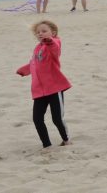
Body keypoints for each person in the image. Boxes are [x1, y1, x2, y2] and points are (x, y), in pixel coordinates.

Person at [16, 19, 72, 149]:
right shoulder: (37, 48)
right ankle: (46, 145)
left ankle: (66, 140)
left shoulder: (54, 43)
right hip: (39, 90)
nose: (40, 34)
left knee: (57, 119)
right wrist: (24, 70)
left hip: (55, 88)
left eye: (44, 31)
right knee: (37, 119)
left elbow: (55, 49)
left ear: (53, 32)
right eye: (38, 32)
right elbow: (35, 63)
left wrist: (49, 40)